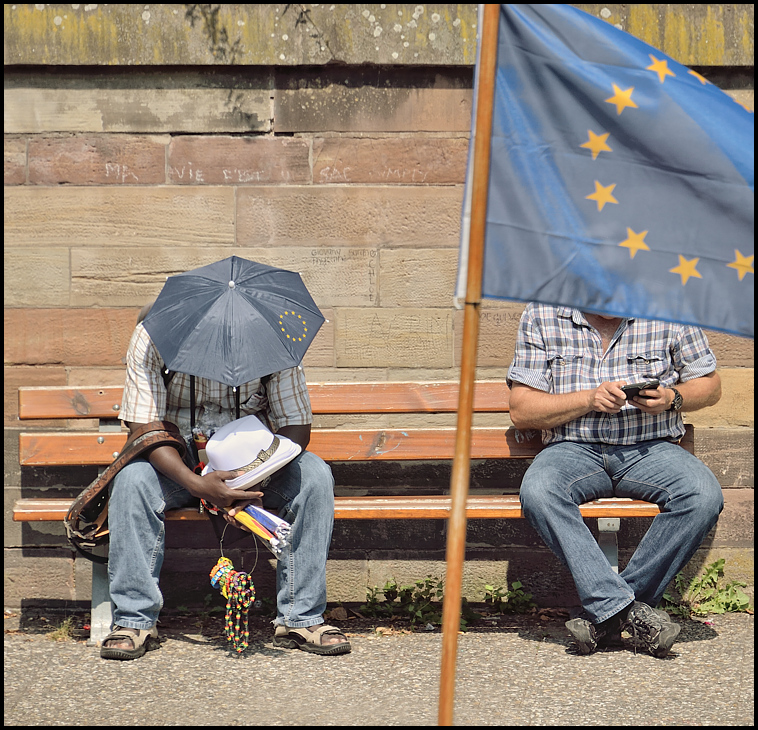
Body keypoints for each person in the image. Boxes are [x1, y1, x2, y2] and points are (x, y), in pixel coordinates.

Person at [100, 313, 350, 659]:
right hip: (176, 456)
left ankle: (301, 617)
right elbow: (144, 428)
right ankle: (134, 620)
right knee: (131, 482)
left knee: (315, 476)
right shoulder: (153, 335)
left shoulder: (272, 337)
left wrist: (252, 484)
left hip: (255, 459)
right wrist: (199, 485)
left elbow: (296, 427)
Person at [507, 304, 723, 658]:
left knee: (701, 495)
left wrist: (672, 398)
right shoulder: (542, 314)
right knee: (539, 490)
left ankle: (604, 616)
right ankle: (629, 612)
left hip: (650, 448)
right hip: (573, 449)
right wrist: (589, 399)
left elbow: (710, 385)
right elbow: (521, 410)